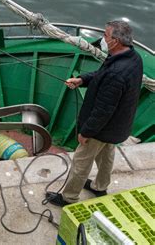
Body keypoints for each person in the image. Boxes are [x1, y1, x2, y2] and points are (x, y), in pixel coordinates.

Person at [47, 21, 143, 207]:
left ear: (115, 41)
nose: (103, 39)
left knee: (81, 163)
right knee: (106, 156)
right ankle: (100, 186)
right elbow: (103, 76)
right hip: (118, 127)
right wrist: (82, 79)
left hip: (101, 129)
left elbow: (102, 110)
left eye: (106, 36)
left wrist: (86, 132)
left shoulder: (117, 72)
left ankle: (69, 198)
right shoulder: (133, 58)